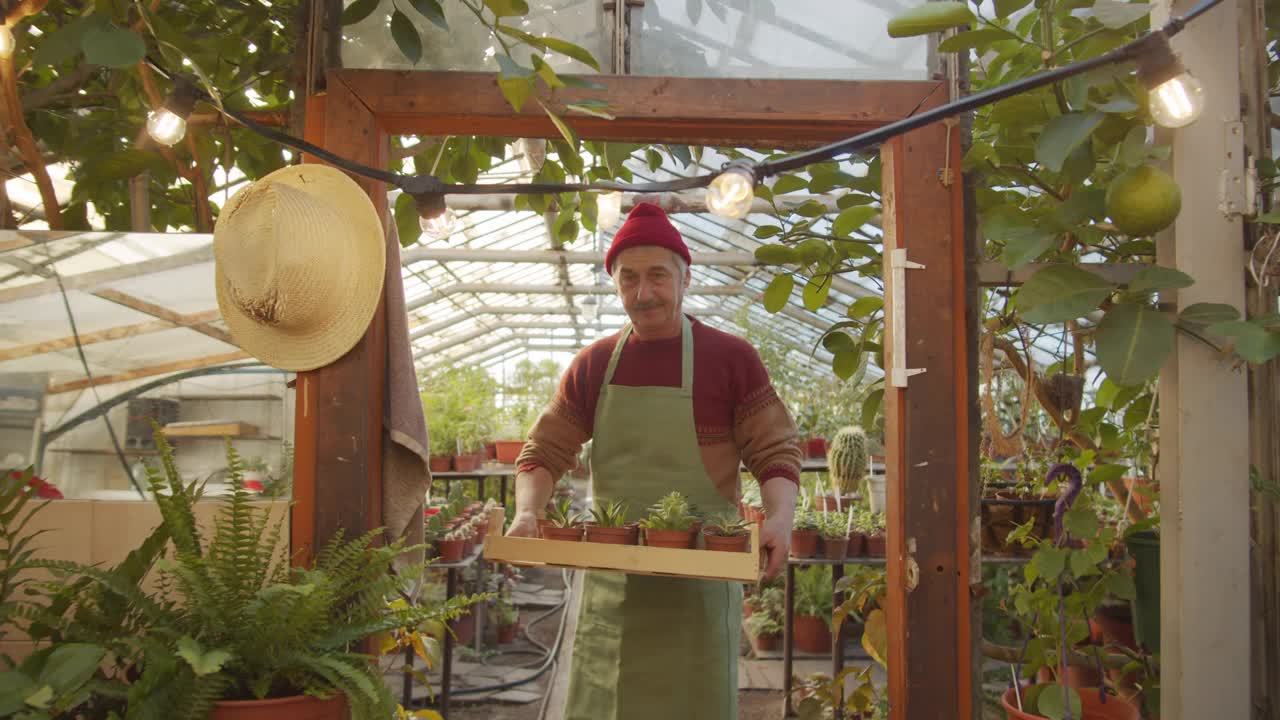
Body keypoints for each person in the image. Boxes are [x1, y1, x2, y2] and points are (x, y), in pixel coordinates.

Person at [506, 202, 802, 720]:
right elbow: (545, 451)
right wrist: (529, 512)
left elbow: (773, 449)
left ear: (685, 278)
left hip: (702, 581)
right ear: (616, 285)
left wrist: (779, 517)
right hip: (614, 585)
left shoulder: (731, 359)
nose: (643, 294)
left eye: (658, 276)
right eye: (629, 279)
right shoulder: (594, 364)